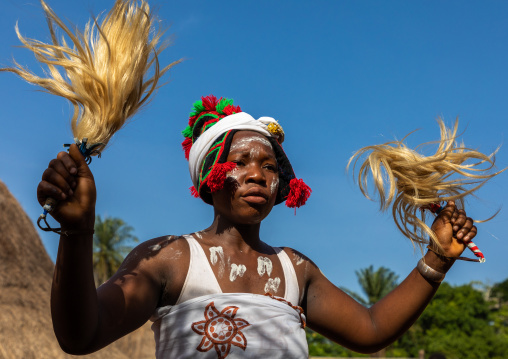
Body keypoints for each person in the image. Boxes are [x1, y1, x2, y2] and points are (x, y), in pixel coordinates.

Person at [38, 95, 478, 358]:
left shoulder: (294, 270)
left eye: (269, 166)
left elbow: (371, 331)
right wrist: (77, 232)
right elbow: (81, 335)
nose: (258, 174)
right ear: (207, 178)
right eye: (241, 161)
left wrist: (437, 255)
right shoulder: (172, 259)